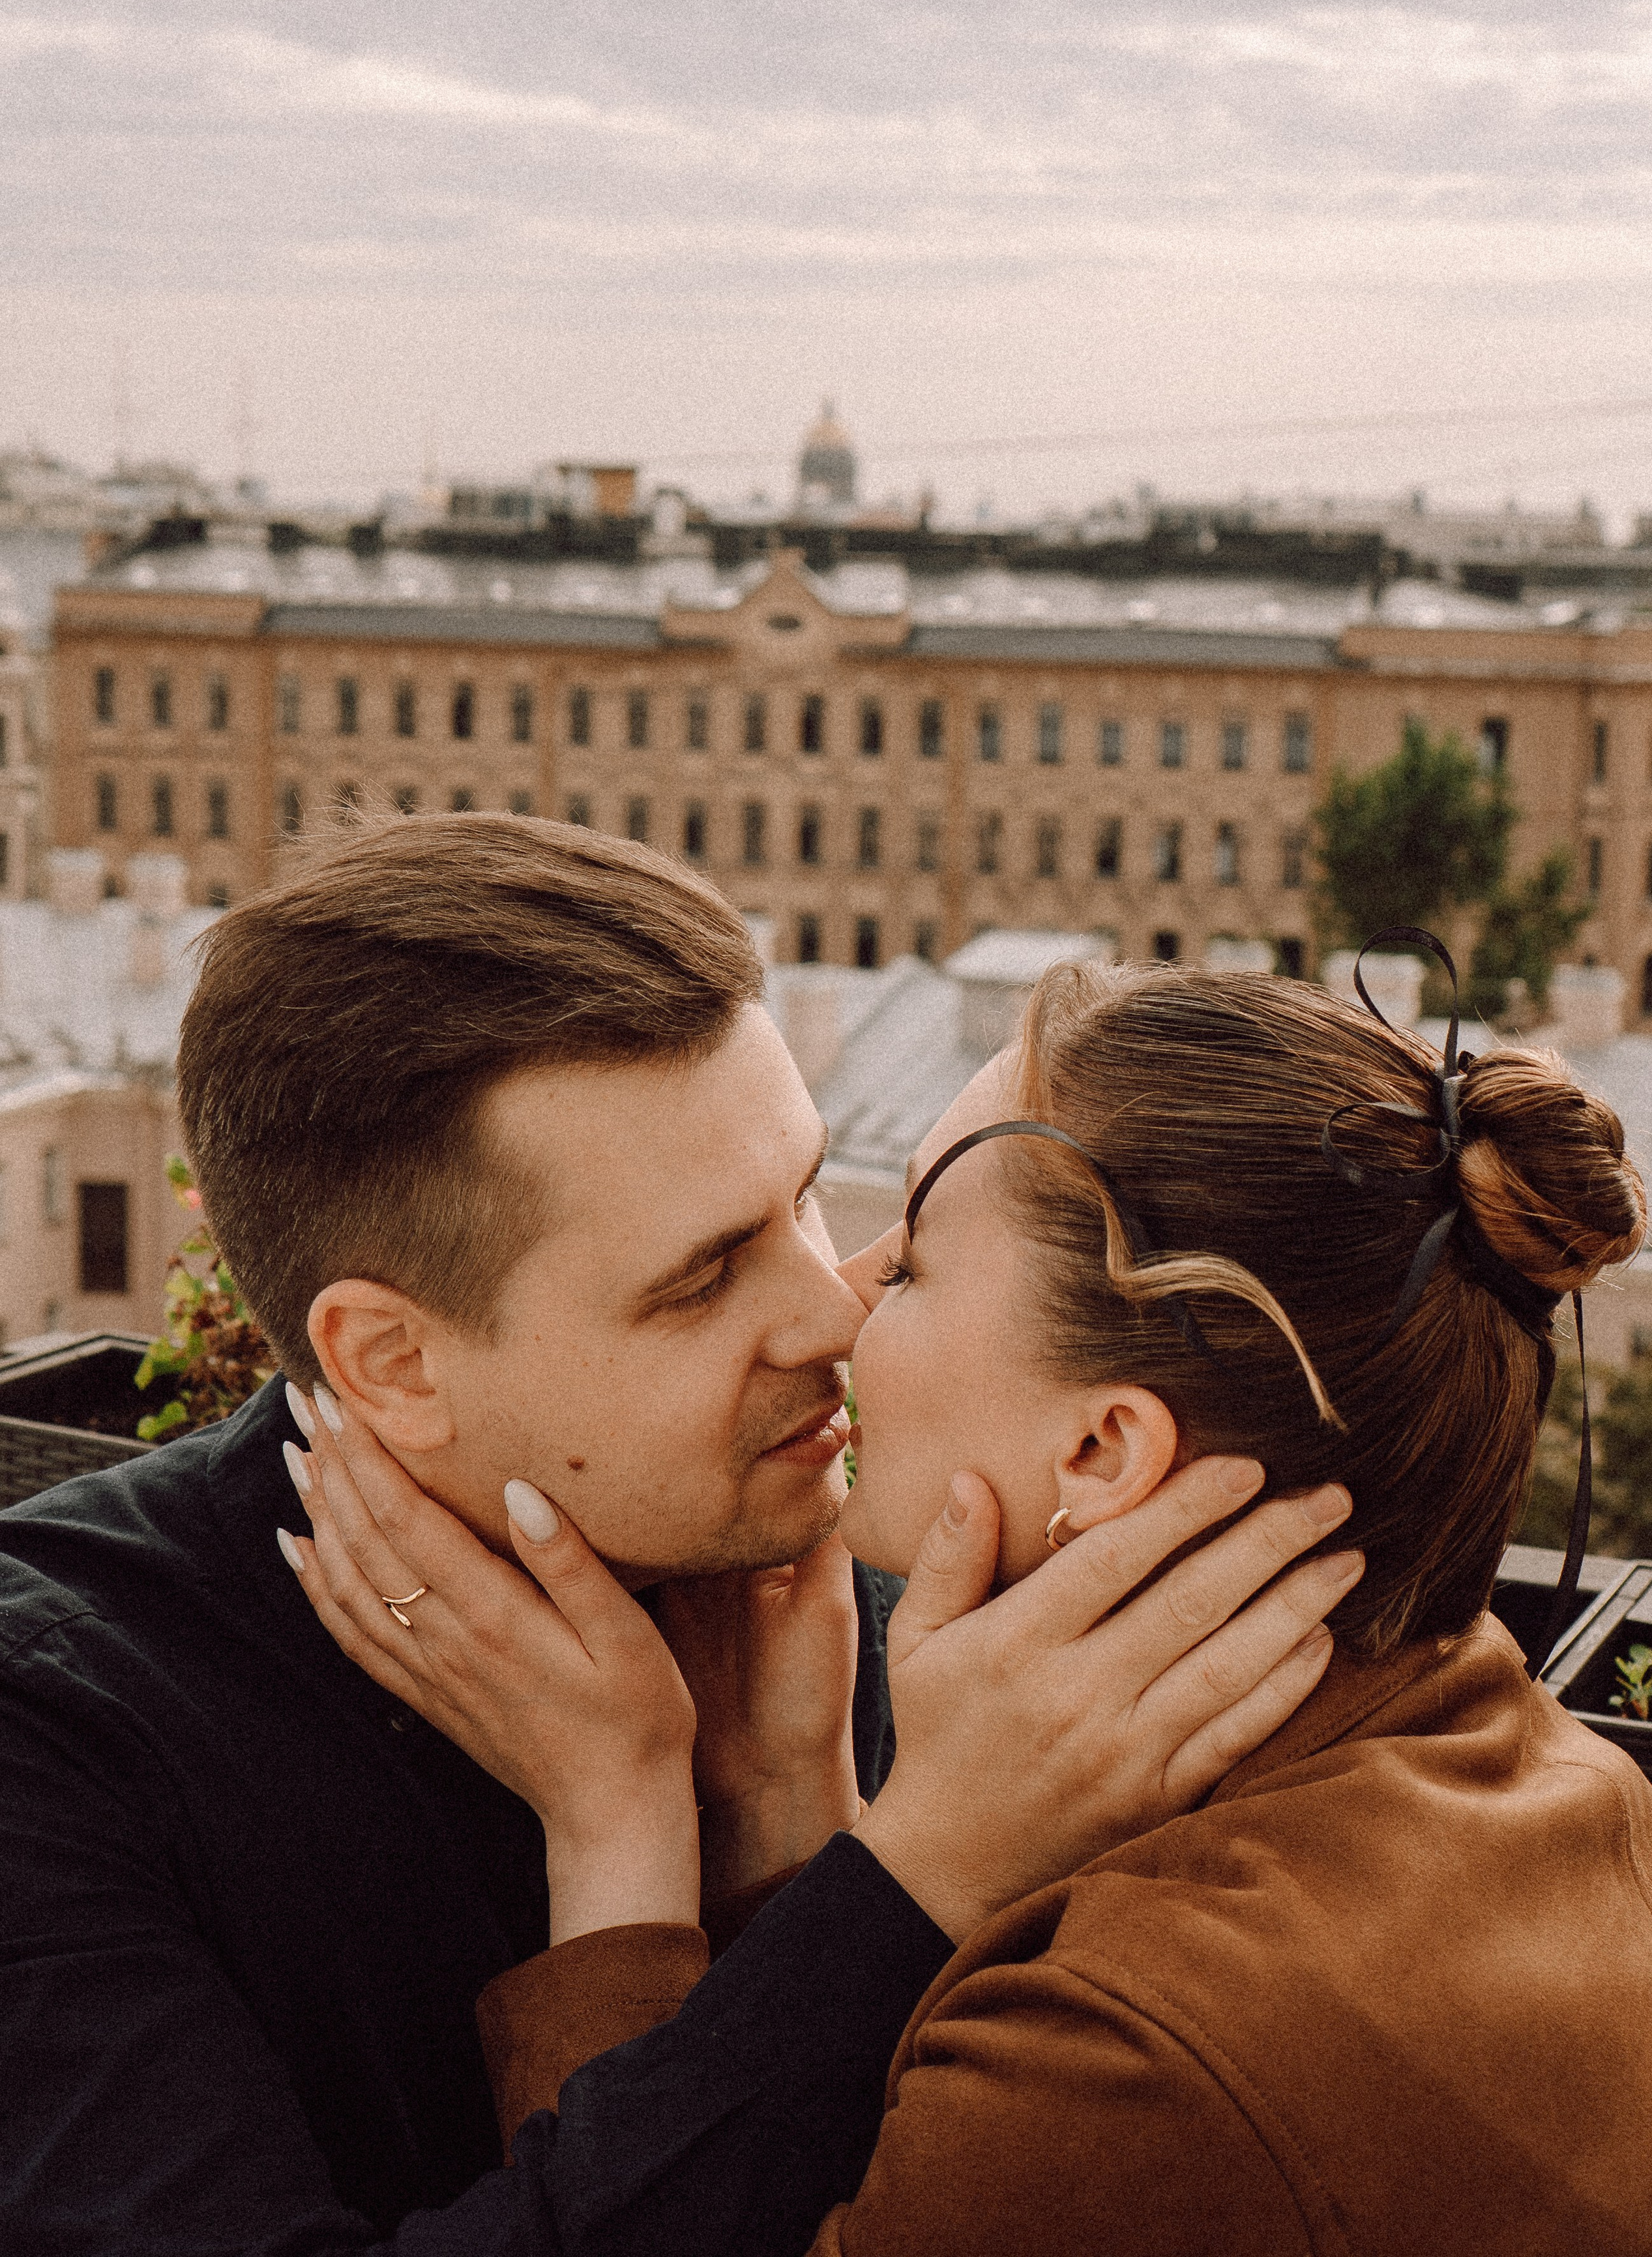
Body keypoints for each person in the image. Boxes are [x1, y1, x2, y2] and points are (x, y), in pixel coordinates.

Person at [0, 814, 1345, 2257]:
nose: (832, 1312)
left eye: (803, 1197)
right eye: (704, 1278)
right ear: (390, 1362)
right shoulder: (54, 1740)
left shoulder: (861, 1595)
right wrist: (904, 1885)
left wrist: (783, 1828)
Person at [291, 944, 1652, 2256]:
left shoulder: (1129, 2052)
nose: (838, 1299)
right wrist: (794, 1814)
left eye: (914, 1265)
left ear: (1099, 1452)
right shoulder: (1562, 1794)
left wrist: (615, 1839)